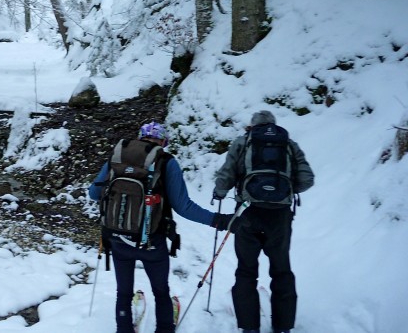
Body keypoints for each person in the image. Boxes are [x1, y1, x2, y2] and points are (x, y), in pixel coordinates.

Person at [89, 122, 236, 333]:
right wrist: (219, 220)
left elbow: (94, 193)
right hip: (151, 242)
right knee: (160, 291)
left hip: (118, 238)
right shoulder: (166, 162)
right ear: (163, 142)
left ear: (140, 137)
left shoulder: (118, 156)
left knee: (123, 293)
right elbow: (184, 206)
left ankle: (124, 328)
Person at [213, 110, 314, 333]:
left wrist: (219, 192)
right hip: (279, 216)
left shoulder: (243, 142)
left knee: (246, 270)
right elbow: (307, 179)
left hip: (248, 213)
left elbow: (227, 174)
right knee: (281, 270)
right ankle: (283, 326)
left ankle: (249, 327)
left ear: (252, 125)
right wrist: (285, 191)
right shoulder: (288, 144)